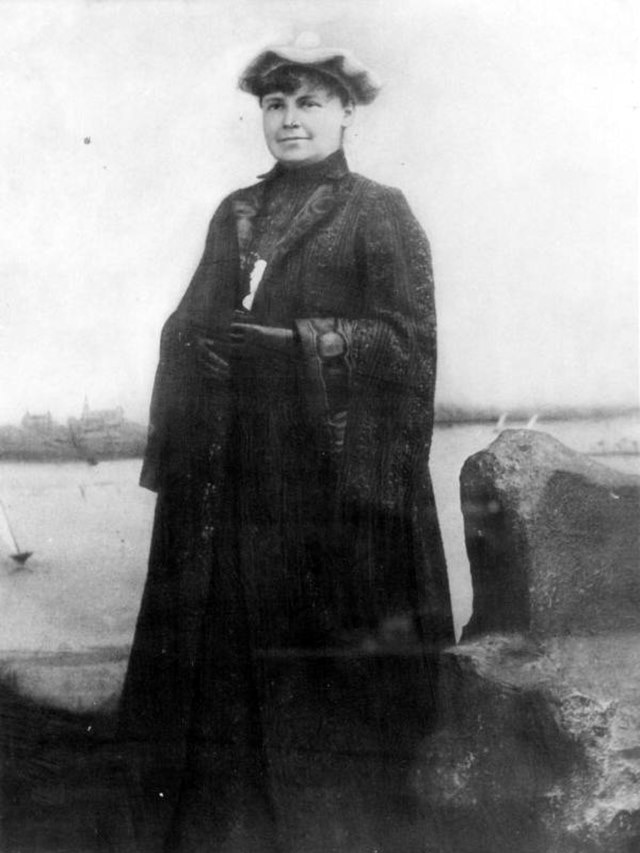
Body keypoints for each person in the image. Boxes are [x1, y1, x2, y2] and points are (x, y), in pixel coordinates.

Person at [117, 34, 454, 853]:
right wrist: (192, 346)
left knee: (321, 676)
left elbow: (409, 346)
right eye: (275, 104)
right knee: (225, 670)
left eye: (309, 102)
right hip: (233, 482)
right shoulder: (234, 211)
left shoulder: (378, 210)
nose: (291, 119)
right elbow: (190, 320)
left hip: (329, 489)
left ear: (346, 112)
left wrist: (299, 342)